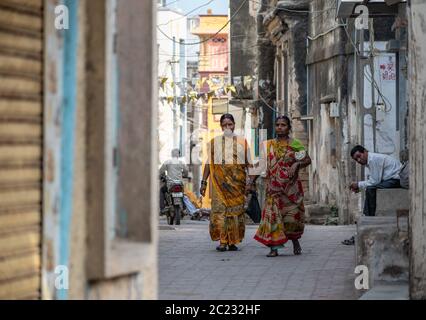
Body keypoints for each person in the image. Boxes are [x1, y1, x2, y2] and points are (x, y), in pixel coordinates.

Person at [253, 115, 311, 257]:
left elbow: (307, 159)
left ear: (288, 128)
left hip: (291, 189)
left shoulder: (295, 144)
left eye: (283, 125)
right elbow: (260, 166)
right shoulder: (267, 145)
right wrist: (250, 182)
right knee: (273, 218)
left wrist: (297, 163)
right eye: (277, 124)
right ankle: (274, 248)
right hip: (274, 189)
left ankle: (295, 240)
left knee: (292, 220)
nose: (280, 127)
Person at [200, 113, 254, 252]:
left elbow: (249, 164)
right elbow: (208, 163)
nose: (228, 127)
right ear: (221, 126)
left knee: (235, 213)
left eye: (230, 124)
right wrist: (203, 182)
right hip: (219, 185)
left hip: (237, 186)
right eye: (225, 125)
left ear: (234, 125)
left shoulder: (242, 142)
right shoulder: (214, 143)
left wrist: (250, 182)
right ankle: (223, 241)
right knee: (220, 213)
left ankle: (232, 242)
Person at [342, 145, 402, 245]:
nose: (359, 160)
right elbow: (375, 181)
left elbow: (375, 181)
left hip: (396, 180)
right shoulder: (370, 161)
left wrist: (358, 184)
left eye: (359, 156)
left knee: (371, 189)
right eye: (356, 159)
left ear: (365, 151)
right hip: (390, 180)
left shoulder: (373, 159)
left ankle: (369, 217)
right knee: (370, 189)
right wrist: (359, 187)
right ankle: (368, 216)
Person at [159, 149, 188, 213]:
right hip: (180, 183)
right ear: (179, 155)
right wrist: (184, 175)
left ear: (172, 154)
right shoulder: (182, 162)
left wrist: (159, 176)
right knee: (183, 193)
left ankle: (162, 208)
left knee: (161, 190)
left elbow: (161, 171)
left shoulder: (167, 162)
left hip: (170, 184)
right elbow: (186, 172)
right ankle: (184, 208)